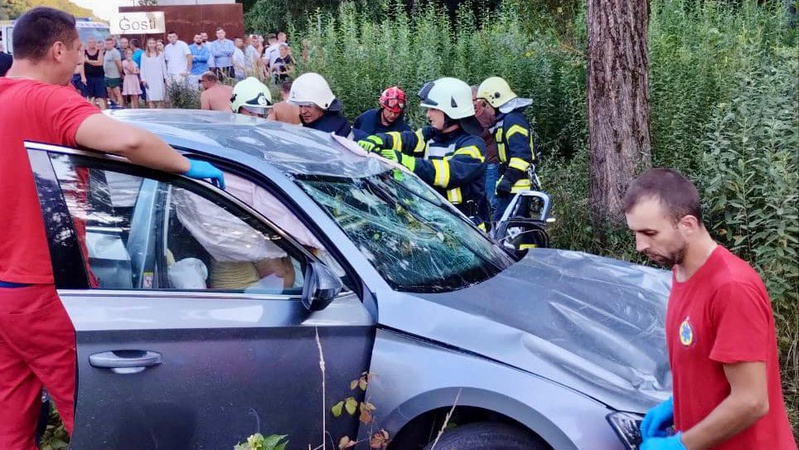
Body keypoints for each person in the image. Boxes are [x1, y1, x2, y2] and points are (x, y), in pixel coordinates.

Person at [0, 7, 225, 450]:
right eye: (80, 51)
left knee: (11, 414)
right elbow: (131, 140)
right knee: (97, 414)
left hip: (5, 292)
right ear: (58, 49)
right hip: (43, 288)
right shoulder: (50, 99)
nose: (82, 62)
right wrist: (186, 167)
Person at [623, 168, 795, 450]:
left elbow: (751, 401)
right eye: (635, 233)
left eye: (650, 233)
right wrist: (677, 404)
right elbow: (705, 366)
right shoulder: (681, 271)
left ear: (688, 225)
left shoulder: (731, 288)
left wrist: (680, 445)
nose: (640, 246)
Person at [358, 77, 488, 227]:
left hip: (467, 227)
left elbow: (449, 173)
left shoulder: (473, 145)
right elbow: (407, 139)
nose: (428, 115)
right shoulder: (432, 135)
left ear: (451, 109)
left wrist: (408, 162)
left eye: (432, 109)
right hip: (436, 221)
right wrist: (379, 140)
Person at [476, 76, 539, 223]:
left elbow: (522, 155)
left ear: (495, 100)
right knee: (518, 226)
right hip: (511, 186)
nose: (485, 109)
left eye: (485, 104)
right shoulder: (504, 120)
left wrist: (508, 180)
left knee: (506, 227)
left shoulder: (513, 120)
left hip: (516, 186)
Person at [288, 72, 352, 137]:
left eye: (308, 106)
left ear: (322, 105)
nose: (303, 111)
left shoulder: (328, 134)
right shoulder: (316, 125)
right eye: (300, 106)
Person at [471, 84, 500, 220]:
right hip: (475, 163)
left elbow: (496, 134)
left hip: (489, 161)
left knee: (490, 196)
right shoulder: (466, 116)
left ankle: (495, 225)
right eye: (470, 100)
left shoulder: (488, 115)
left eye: (476, 99)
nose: (474, 103)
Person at [140, 37, 167, 108]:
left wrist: (165, 78)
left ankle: (159, 111)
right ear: (147, 44)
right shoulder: (144, 55)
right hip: (149, 78)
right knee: (150, 97)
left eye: (153, 43)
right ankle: (152, 111)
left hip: (159, 78)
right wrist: (143, 79)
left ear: (155, 44)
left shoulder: (160, 54)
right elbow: (142, 68)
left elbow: (163, 66)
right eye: (150, 43)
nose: (152, 45)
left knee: (160, 96)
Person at [83, 37, 106, 109]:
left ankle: (104, 112)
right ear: (88, 44)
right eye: (90, 42)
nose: (92, 44)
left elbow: (99, 63)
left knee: (101, 97)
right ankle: (92, 112)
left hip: (99, 77)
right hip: (88, 77)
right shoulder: (84, 52)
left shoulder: (99, 51)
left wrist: (87, 60)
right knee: (90, 97)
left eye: (93, 42)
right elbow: (81, 64)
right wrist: (83, 76)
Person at [102, 37, 123, 108]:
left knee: (117, 93)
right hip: (107, 76)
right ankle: (114, 106)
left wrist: (120, 74)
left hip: (114, 76)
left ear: (113, 44)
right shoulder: (106, 52)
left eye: (110, 43)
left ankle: (121, 107)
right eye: (106, 44)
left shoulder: (115, 52)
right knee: (110, 92)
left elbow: (119, 64)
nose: (108, 45)